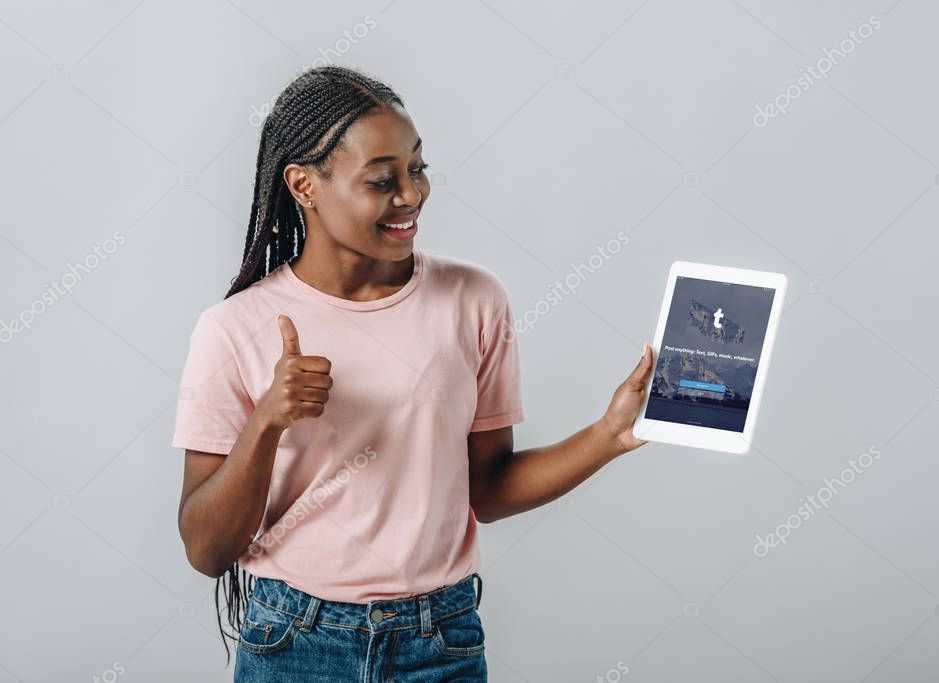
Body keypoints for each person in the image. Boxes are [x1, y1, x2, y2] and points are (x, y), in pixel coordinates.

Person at [172, 64, 654, 682]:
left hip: (440, 642)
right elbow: (206, 551)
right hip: (296, 643)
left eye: (417, 168)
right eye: (382, 180)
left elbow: (489, 489)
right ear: (303, 185)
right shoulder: (233, 328)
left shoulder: (473, 299)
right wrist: (267, 421)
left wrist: (607, 436)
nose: (411, 195)